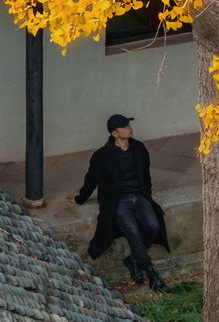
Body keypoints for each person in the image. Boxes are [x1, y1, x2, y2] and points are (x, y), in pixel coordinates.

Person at [66, 114, 170, 292]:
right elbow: (91, 179)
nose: (129, 128)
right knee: (134, 233)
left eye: (129, 125)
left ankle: (134, 260)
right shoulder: (103, 156)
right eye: (124, 126)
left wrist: (148, 187)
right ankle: (153, 276)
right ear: (115, 133)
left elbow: (146, 172)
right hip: (118, 201)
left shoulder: (138, 148)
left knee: (153, 225)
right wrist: (80, 198)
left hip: (138, 196)